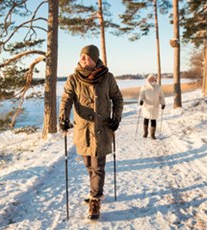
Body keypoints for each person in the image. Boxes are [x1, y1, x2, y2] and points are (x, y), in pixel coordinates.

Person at [59, 44, 123, 220]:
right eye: (82, 56)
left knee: (98, 166)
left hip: (102, 129)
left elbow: (117, 98)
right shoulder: (73, 78)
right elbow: (66, 99)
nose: (83, 59)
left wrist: (116, 118)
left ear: (95, 59)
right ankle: (95, 189)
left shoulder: (107, 78)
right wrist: (63, 118)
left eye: (87, 56)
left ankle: (95, 199)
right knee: (88, 164)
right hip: (83, 130)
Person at [138, 74, 165, 139]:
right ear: (148, 79)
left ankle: (152, 134)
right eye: (150, 78)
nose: (151, 80)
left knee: (153, 120)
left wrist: (163, 103)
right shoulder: (144, 87)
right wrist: (141, 101)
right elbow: (141, 95)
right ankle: (145, 132)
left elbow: (161, 96)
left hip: (155, 106)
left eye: (153, 78)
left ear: (155, 79)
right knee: (146, 119)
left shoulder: (158, 87)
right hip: (146, 106)